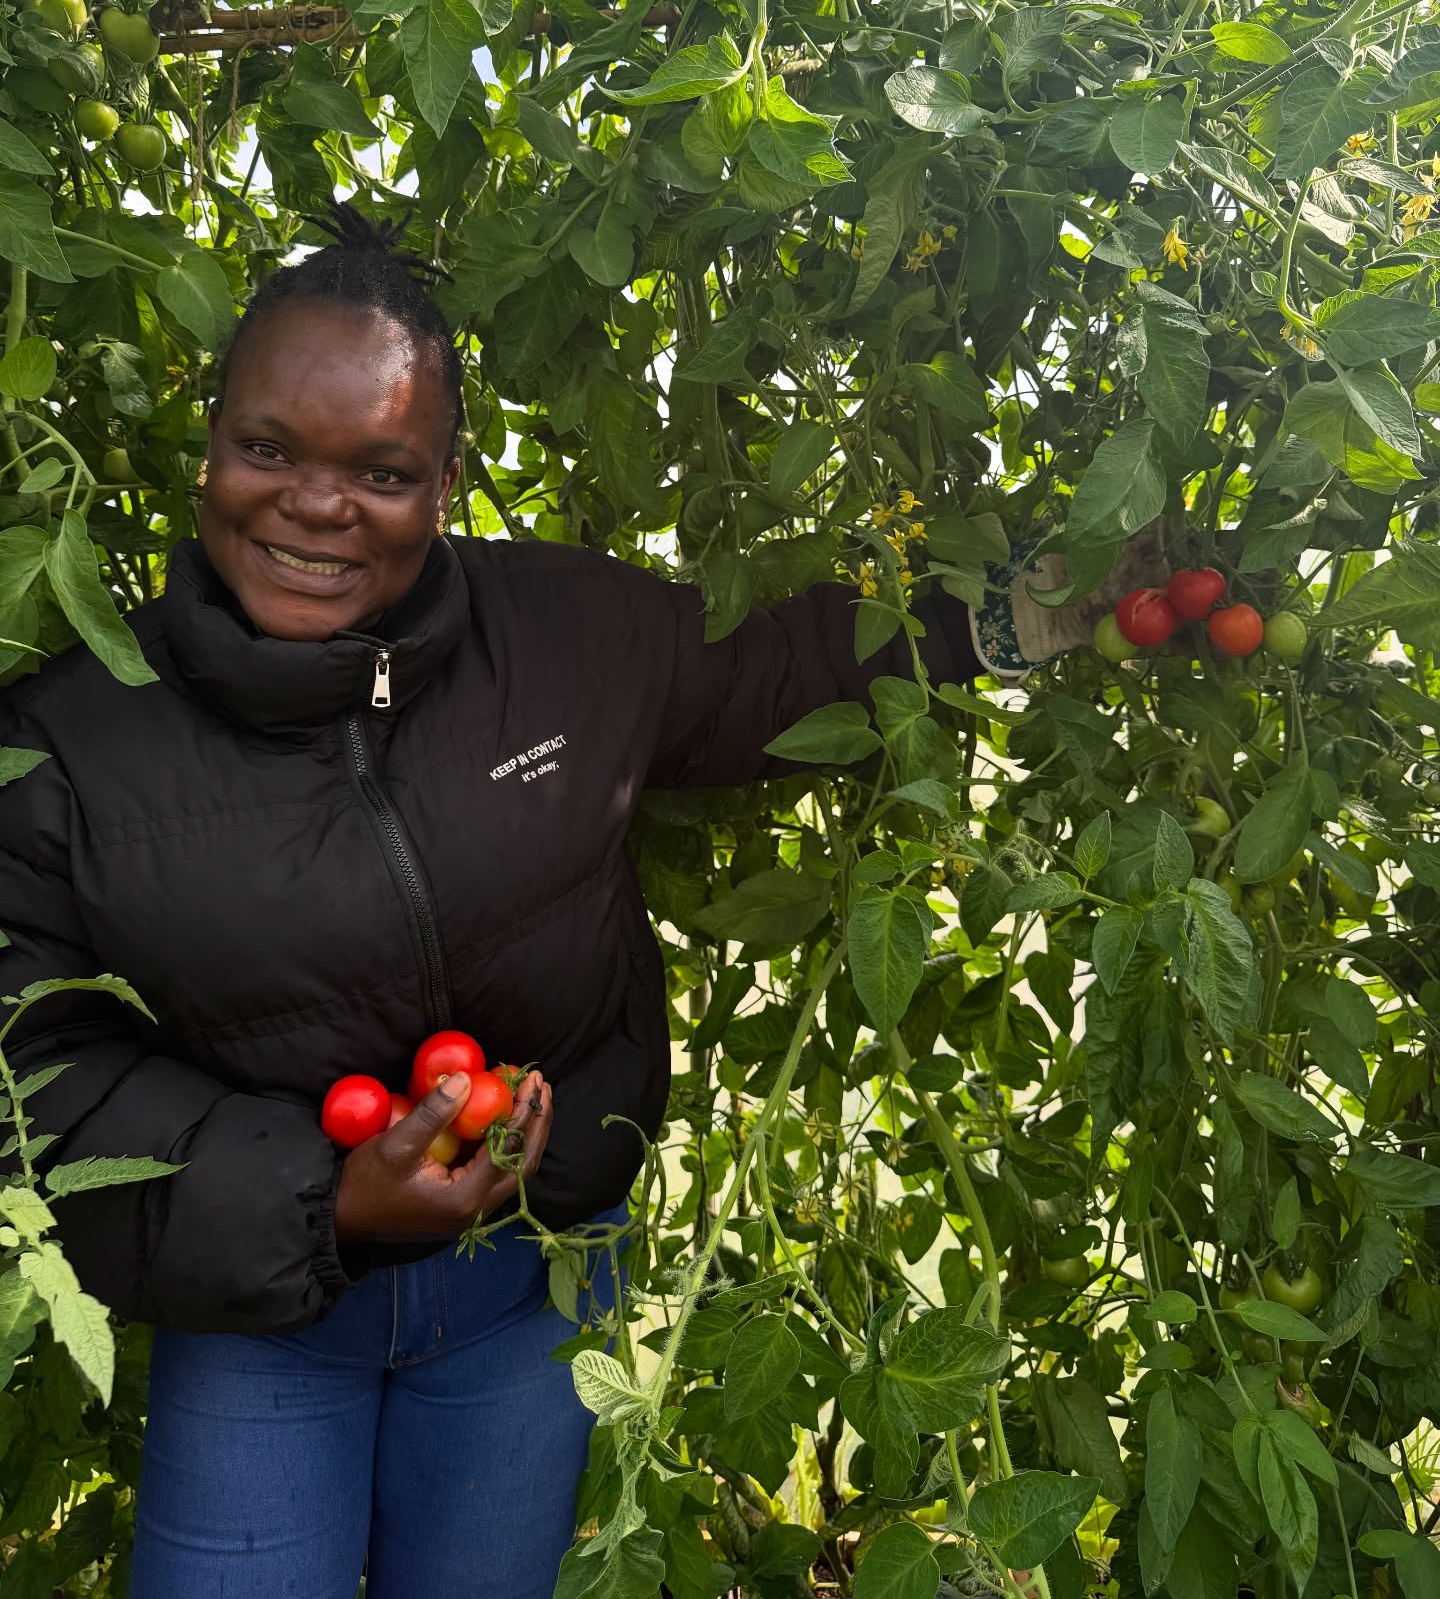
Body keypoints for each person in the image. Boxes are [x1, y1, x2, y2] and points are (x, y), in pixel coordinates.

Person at [0, 207, 1119, 1598]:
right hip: (264, 1322)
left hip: (532, 1300)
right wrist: (325, 1196)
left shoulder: (574, 636)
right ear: (211, 440)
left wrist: (1012, 618)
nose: (314, 504)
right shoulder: (73, 742)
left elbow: (775, 671)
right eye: (268, 449)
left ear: (446, 481)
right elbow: (26, 1071)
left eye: (383, 468)